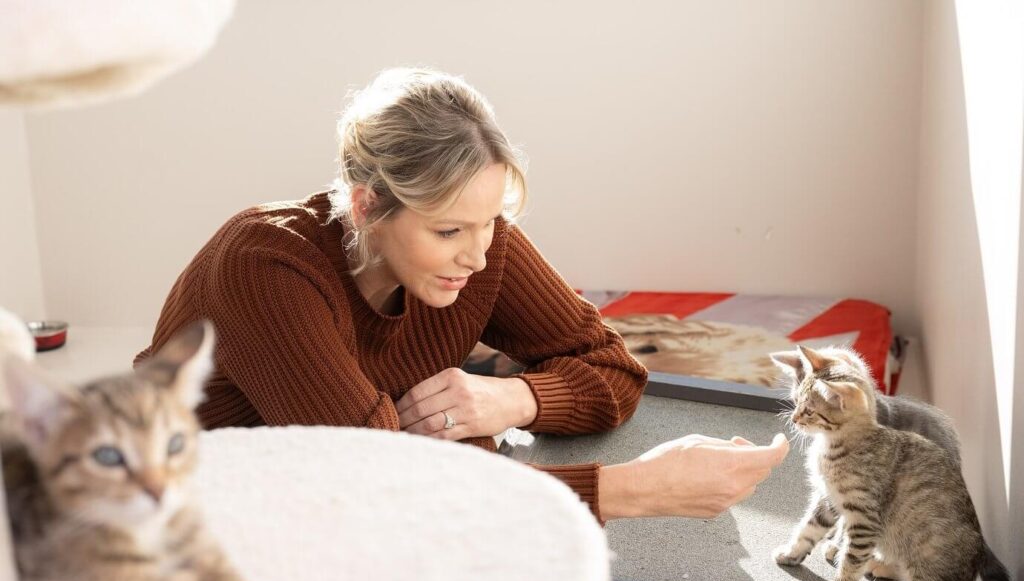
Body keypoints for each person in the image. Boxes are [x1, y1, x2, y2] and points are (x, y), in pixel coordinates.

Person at [136, 68, 788, 523]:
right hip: (193, 508)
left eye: (490, 223)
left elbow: (614, 367)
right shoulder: (265, 267)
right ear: (367, 207)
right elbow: (379, 488)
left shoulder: (479, 247)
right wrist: (638, 490)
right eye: (449, 230)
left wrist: (513, 396)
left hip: (361, 477)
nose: (477, 256)